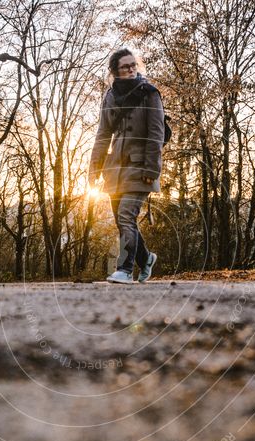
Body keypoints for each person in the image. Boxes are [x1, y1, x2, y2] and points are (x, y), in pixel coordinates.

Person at [88, 48, 164, 284]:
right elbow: (103, 134)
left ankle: (124, 269)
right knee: (122, 220)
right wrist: (95, 168)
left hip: (141, 168)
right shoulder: (110, 97)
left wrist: (152, 169)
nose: (131, 69)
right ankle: (146, 258)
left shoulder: (149, 93)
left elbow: (156, 132)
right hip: (115, 170)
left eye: (133, 65)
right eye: (125, 66)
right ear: (115, 72)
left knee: (125, 216)